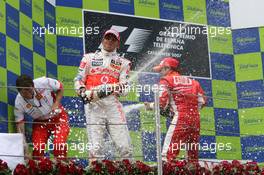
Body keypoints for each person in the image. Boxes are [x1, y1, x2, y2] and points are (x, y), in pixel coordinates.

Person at [74, 29, 132, 160]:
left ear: (118, 43)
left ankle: (129, 168)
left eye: (113, 39)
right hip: (93, 104)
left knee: (124, 146)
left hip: (112, 104)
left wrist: (113, 88)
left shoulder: (124, 62)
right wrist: (82, 91)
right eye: (107, 38)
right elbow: (78, 79)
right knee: (96, 147)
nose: (109, 41)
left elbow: (125, 88)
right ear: (102, 40)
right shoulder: (88, 58)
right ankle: (95, 169)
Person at [145, 57, 206, 163]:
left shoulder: (166, 80)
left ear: (168, 68)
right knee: (192, 156)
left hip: (181, 118)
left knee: (167, 155)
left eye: (161, 70)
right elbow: (202, 101)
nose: (160, 73)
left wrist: (150, 106)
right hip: (195, 119)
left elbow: (161, 103)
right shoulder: (193, 82)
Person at [15, 75, 69, 160]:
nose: (29, 95)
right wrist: (25, 150)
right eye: (25, 93)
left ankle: (62, 167)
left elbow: (60, 87)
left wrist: (56, 103)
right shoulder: (18, 102)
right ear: (19, 92)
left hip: (58, 117)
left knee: (59, 144)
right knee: (38, 148)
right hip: (40, 122)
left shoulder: (43, 82)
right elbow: (20, 127)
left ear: (33, 86)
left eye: (30, 90)